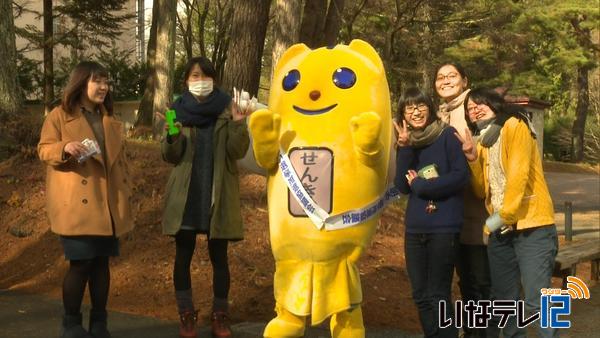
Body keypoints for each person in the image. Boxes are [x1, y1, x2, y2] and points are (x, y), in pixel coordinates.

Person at [38, 61, 134, 338]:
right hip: (77, 205)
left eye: (106, 82)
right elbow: (43, 149)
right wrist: (64, 147)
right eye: (97, 81)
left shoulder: (110, 120)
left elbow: (119, 161)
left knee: (101, 264)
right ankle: (71, 324)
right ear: (81, 83)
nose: (104, 87)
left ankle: (99, 323)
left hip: (108, 204)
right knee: (80, 264)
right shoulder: (59, 116)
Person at [157, 56, 250, 338]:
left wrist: (238, 124)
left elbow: (237, 153)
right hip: (186, 196)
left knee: (219, 258)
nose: (200, 81)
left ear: (214, 79)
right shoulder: (176, 111)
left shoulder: (227, 109)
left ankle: (220, 316)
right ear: (186, 81)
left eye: (205, 76)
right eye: (194, 76)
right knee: (182, 256)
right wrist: (172, 134)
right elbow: (170, 156)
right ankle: (186, 314)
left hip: (216, 196)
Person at [456, 88, 558, 338]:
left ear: (495, 104)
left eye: (480, 104)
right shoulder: (482, 141)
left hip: (532, 226)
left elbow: (518, 177)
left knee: (537, 299)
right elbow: (481, 191)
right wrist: (471, 157)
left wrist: (494, 221)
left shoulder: (515, 125)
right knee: (506, 301)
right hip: (501, 233)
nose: (475, 109)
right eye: (470, 108)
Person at [394, 87, 469, 338]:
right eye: (409, 108)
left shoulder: (447, 135)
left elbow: (460, 176)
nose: (416, 112)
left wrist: (423, 186)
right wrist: (404, 149)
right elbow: (402, 186)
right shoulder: (408, 143)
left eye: (420, 105)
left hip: (443, 228)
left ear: (430, 107)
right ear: (403, 114)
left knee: (438, 294)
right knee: (420, 294)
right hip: (415, 229)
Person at [434, 62, 492, 338]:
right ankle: (473, 333)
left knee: (481, 282)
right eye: (440, 77)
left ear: (464, 80)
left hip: (480, 211)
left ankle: (485, 334)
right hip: (452, 213)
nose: (445, 80)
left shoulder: (472, 106)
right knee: (466, 281)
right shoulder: (438, 115)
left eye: (452, 76)